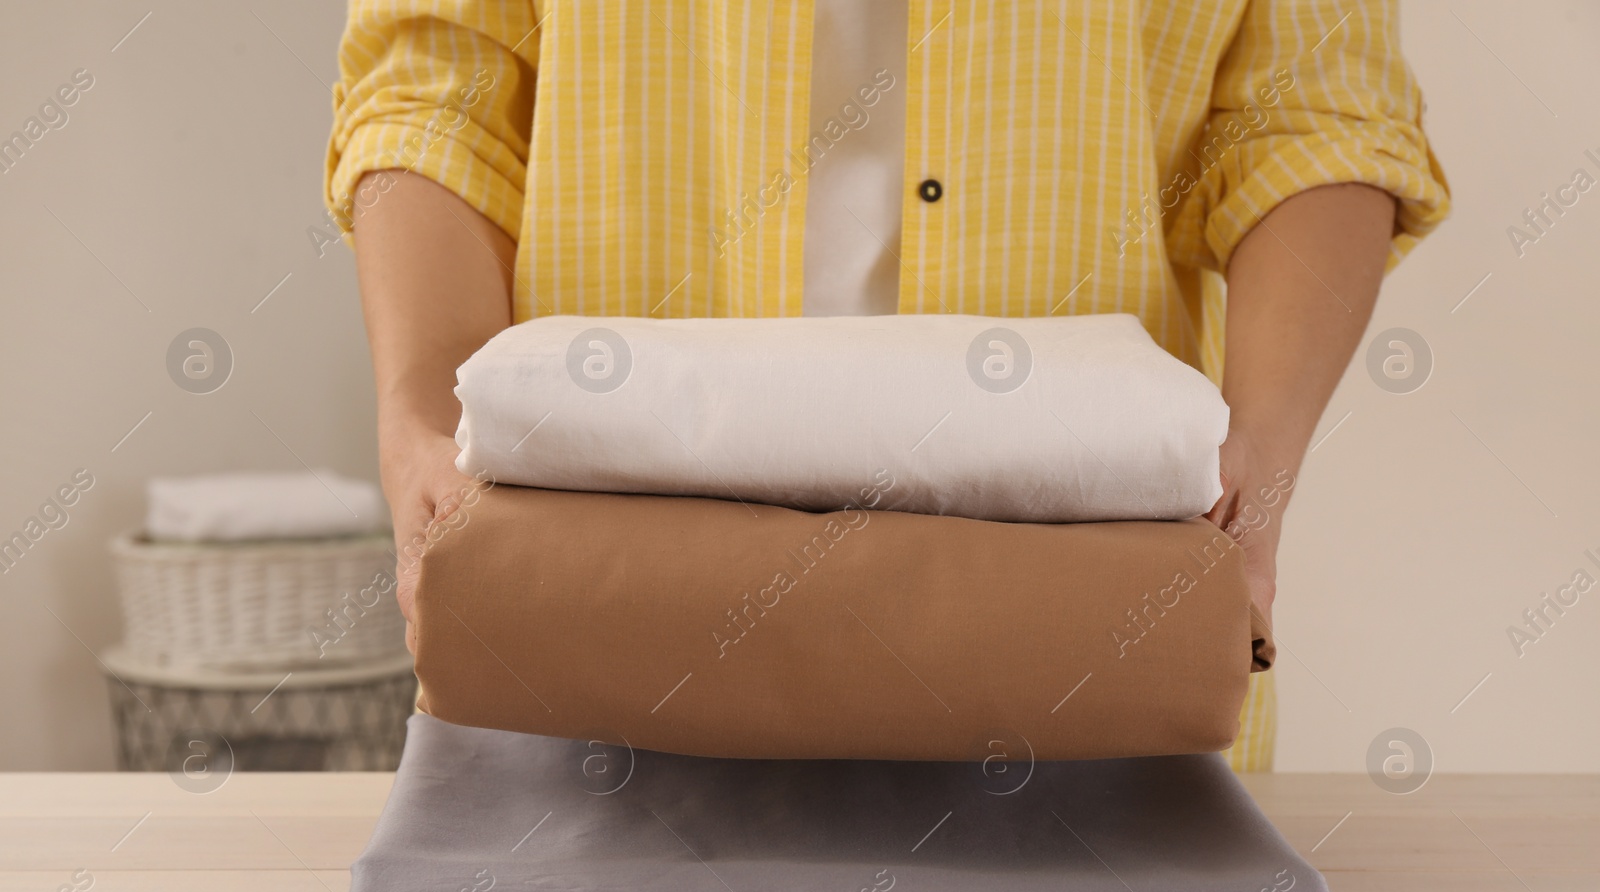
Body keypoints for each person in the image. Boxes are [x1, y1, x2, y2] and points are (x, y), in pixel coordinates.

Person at [325, 0, 1449, 772]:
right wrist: (419, 424)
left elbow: (1310, 112)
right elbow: (440, 88)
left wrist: (1262, 455)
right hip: (593, 646)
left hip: (1091, 654)